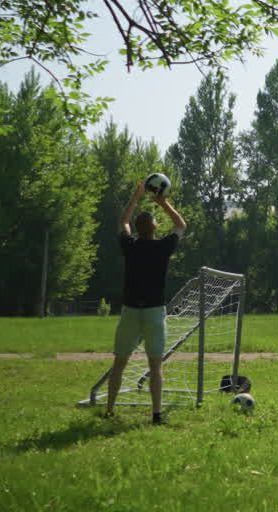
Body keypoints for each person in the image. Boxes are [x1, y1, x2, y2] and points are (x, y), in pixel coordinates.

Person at [104, 180, 187, 424]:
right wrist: (162, 202)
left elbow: (123, 222)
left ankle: (109, 410)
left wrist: (136, 196)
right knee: (155, 366)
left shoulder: (129, 245)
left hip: (131, 311)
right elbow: (181, 224)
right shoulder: (162, 247)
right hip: (154, 312)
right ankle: (156, 414)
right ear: (154, 226)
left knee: (119, 363)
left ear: (138, 229)